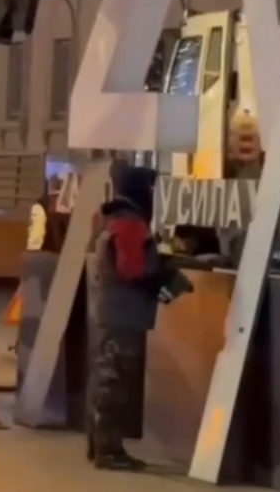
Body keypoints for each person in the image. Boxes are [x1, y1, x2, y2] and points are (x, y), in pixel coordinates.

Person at [87, 163, 192, 472]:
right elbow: (132, 269)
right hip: (124, 313)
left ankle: (100, 446)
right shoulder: (130, 224)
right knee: (116, 381)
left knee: (108, 377)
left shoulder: (112, 220)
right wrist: (164, 275)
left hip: (114, 310)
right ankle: (109, 451)